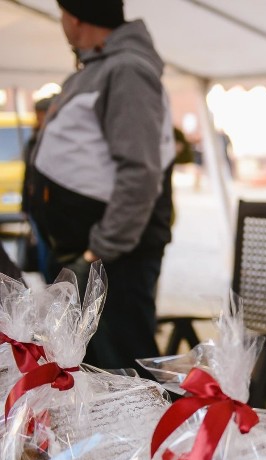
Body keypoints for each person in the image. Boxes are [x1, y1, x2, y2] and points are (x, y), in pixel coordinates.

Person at [29, 0, 176, 374]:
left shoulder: (126, 70)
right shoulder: (99, 67)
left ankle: (142, 434)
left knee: (122, 373)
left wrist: (99, 251)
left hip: (114, 260)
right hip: (90, 255)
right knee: (88, 369)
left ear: (74, 17)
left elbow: (140, 172)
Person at [21, 95, 56, 278]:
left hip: (51, 208)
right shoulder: (34, 139)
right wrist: (25, 205)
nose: (39, 119)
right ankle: (48, 286)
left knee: (50, 254)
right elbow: (28, 177)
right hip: (37, 206)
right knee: (43, 252)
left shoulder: (53, 139)